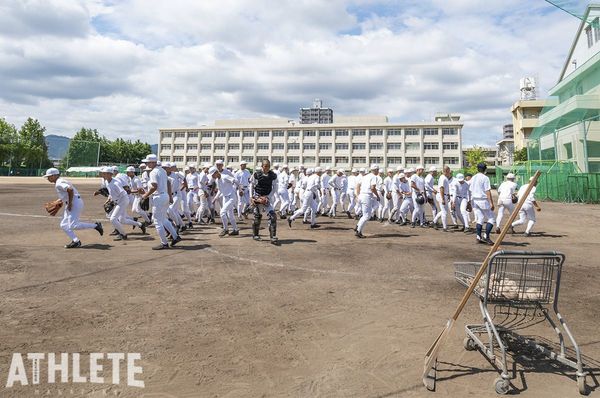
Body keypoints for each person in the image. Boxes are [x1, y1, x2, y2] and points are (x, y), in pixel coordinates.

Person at [43, 168, 103, 248]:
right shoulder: (60, 181)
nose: (48, 178)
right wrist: (58, 201)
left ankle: (96, 226)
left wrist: (70, 204)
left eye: (49, 176)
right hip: (73, 202)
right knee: (63, 225)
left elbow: (70, 190)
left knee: (73, 225)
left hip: (74, 203)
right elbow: (66, 194)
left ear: (54, 176)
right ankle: (76, 241)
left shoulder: (59, 183)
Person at [141, 154, 181, 250]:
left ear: (152, 162)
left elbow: (154, 186)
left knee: (157, 221)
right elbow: (167, 183)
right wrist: (170, 196)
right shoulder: (162, 170)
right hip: (165, 195)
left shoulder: (153, 172)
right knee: (163, 219)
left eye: (148, 162)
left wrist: (145, 195)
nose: (147, 164)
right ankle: (175, 236)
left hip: (158, 197)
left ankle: (164, 243)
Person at [98, 167, 145, 241]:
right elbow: (112, 193)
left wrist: (115, 202)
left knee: (113, 219)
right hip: (119, 201)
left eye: (104, 173)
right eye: (102, 173)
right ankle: (140, 225)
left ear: (110, 174)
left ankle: (123, 234)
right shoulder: (107, 182)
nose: (102, 175)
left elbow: (123, 193)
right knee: (122, 220)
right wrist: (110, 199)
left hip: (122, 201)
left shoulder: (116, 183)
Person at [251, 159, 279, 244]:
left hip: (267, 197)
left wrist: (268, 197)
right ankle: (255, 235)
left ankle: (273, 236)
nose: (267, 168)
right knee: (257, 216)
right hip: (257, 196)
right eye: (265, 166)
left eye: (268, 166)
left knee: (273, 216)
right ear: (262, 166)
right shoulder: (256, 174)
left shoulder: (273, 175)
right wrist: (251, 197)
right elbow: (251, 185)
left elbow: (274, 188)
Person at [209, 166, 240, 237]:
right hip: (225, 198)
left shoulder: (225, 177)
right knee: (230, 215)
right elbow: (220, 190)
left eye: (213, 174)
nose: (213, 176)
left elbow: (236, 181)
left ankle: (226, 229)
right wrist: (215, 198)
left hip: (231, 197)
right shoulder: (217, 180)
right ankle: (235, 230)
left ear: (216, 172)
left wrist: (240, 189)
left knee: (222, 212)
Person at [469, 163, 495, 245]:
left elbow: (470, 190)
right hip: (482, 200)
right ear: (485, 169)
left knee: (480, 218)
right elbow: (487, 191)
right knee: (491, 218)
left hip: (475, 200)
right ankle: (486, 236)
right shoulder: (485, 178)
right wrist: (491, 203)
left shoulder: (473, 177)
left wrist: (469, 202)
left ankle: (478, 236)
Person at [354, 164, 380, 238]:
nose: (378, 171)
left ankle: (357, 227)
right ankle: (358, 231)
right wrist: (377, 196)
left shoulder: (365, 176)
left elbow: (358, 185)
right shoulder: (374, 177)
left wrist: (358, 195)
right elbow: (372, 188)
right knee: (366, 216)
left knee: (365, 214)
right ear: (375, 170)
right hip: (367, 196)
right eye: (377, 170)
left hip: (362, 195)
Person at [433, 166, 453, 231]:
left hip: (444, 195)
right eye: (449, 171)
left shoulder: (445, 178)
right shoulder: (443, 178)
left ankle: (434, 221)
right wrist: (443, 199)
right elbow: (441, 188)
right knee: (444, 212)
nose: (450, 172)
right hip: (442, 195)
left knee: (444, 211)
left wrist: (448, 195)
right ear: (446, 171)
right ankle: (445, 227)